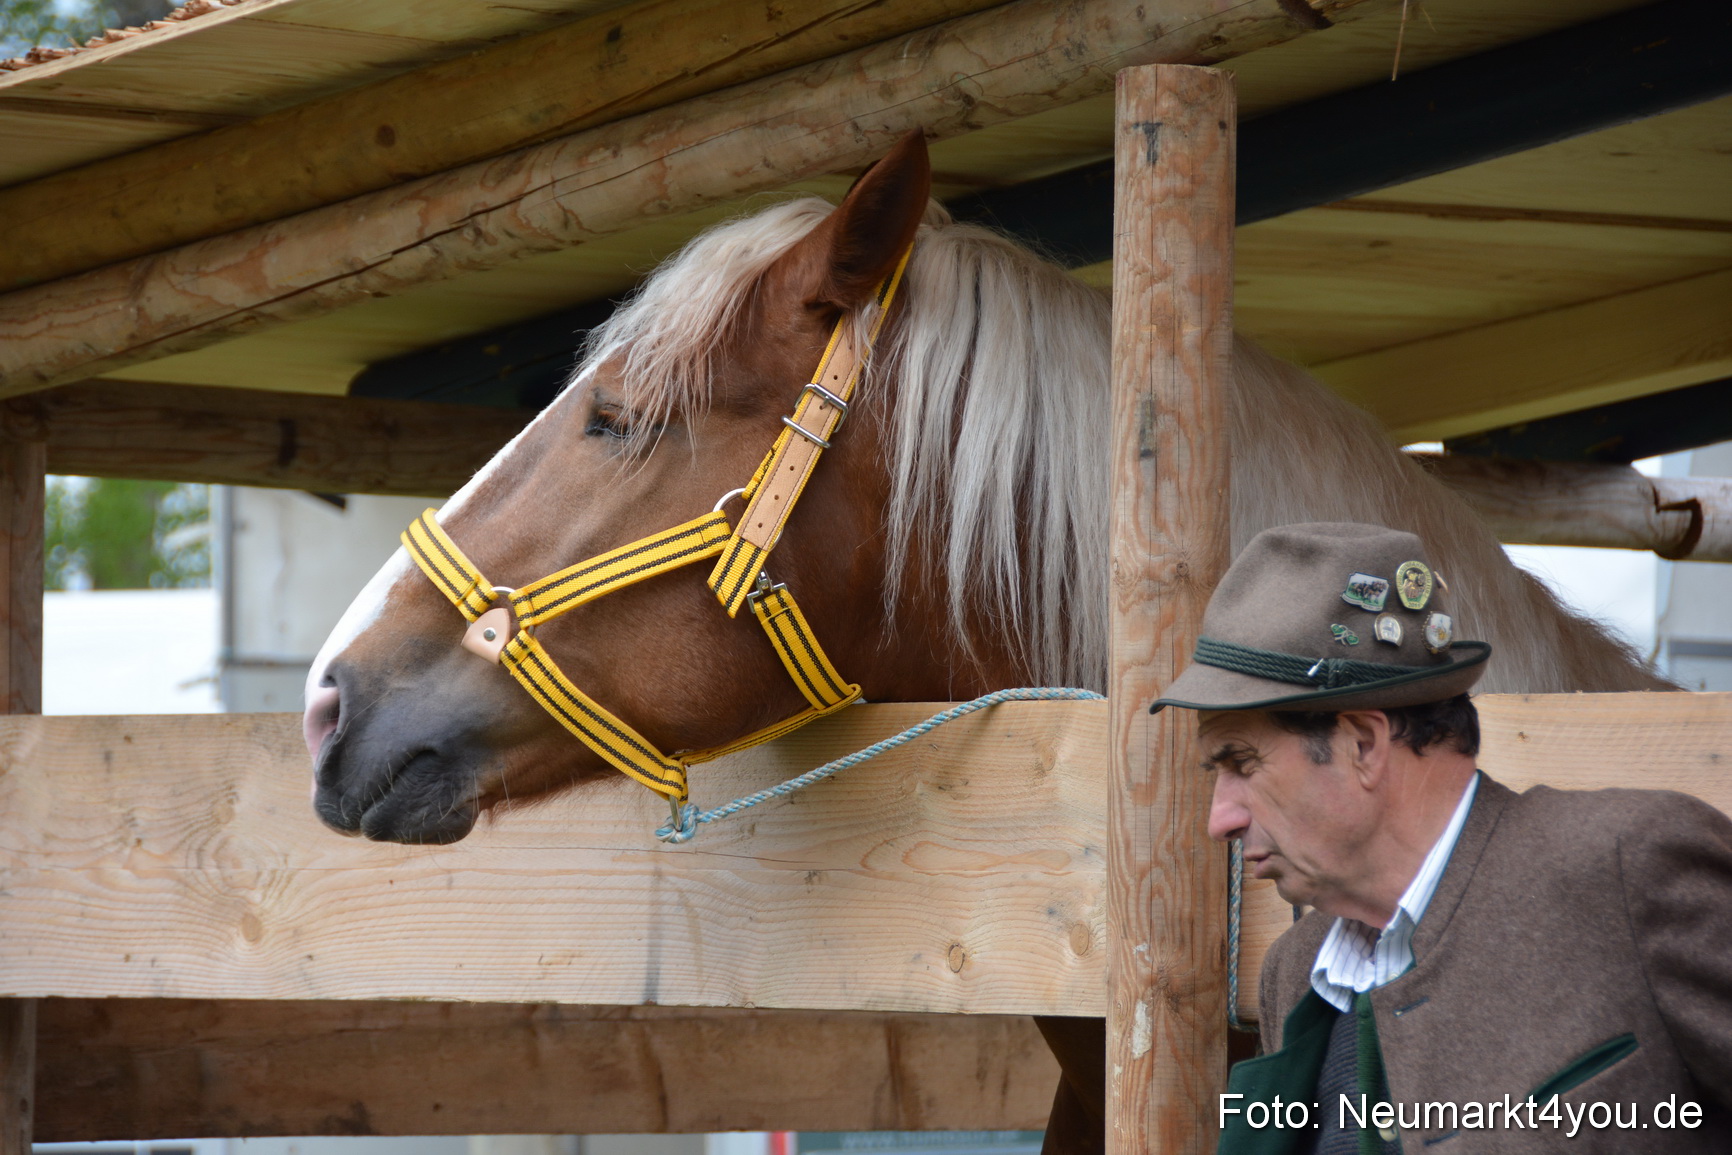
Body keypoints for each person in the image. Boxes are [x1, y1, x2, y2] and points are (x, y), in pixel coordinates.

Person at [1150, 522, 1732, 1153]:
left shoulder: (1632, 867)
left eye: (1240, 762)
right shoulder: (1295, 974)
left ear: (1363, 744)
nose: (1221, 820)